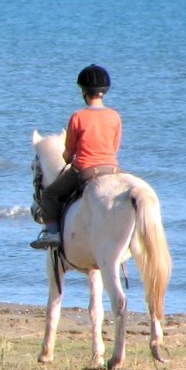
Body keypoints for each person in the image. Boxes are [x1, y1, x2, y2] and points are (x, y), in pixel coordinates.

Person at [30, 64, 121, 249]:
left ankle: (52, 234)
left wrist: (67, 157)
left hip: (84, 171)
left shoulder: (78, 117)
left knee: (49, 195)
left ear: (83, 91)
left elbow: (68, 153)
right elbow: (114, 147)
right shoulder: (115, 116)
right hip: (112, 169)